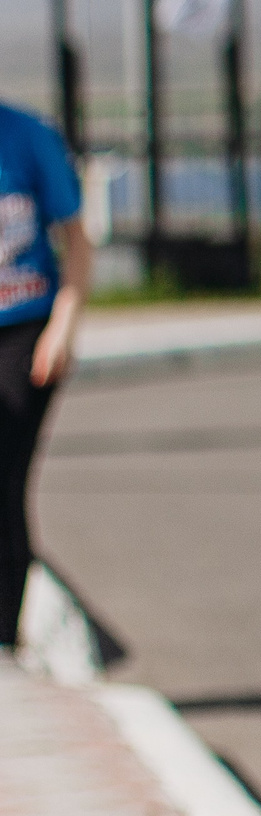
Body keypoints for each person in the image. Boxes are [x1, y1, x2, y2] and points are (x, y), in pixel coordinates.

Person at [0, 101, 88, 662]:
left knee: (4, 482)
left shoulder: (27, 136)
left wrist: (63, 326)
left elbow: (77, 240)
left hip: (24, 331)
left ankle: (4, 639)